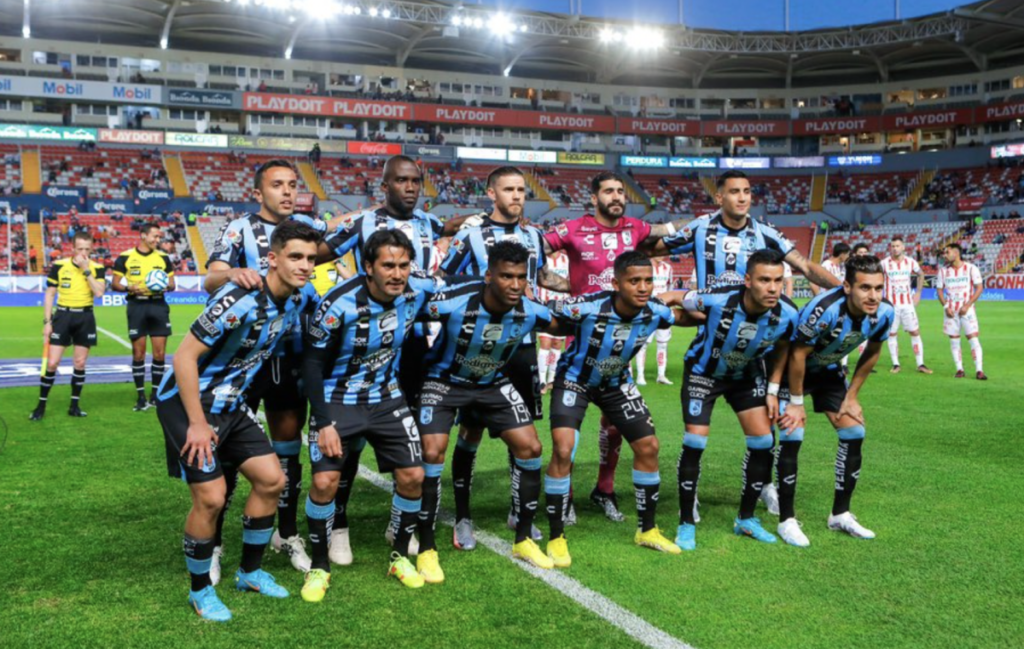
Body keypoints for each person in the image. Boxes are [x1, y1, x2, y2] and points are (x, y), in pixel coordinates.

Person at [645, 170, 842, 514]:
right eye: (734, 191)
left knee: (766, 423)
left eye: (747, 191)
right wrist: (670, 227)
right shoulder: (701, 228)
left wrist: (844, 292)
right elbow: (650, 246)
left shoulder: (766, 233)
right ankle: (691, 494)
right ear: (719, 197)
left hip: (759, 341)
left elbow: (805, 266)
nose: (742, 197)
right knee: (697, 433)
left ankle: (763, 484)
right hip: (712, 326)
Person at [155, 220, 320, 622]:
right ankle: (200, 591)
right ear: (273, 259)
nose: (304, 265)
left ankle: (250, 572)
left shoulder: (298, 299)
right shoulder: (240, 298)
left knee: (272, 480)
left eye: (311, 259)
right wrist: (197, 423)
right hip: (187, 402)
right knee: (212, 497)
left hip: (231, 404)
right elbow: (183, 358)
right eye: (295, 257)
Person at [317, 156, 470, 563]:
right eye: (401, 181)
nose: (410, 187)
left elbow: (448, 231)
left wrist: (478, 218)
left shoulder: (428, 223)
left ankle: (399, 525)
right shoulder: (362, 222)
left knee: (410, 438)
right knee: (349, 444)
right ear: (384, 186)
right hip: (365, 341)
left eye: (416, 181)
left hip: (414, 342)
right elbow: (317, 253)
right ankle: (339, 526)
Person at [300, 230, 450, 601]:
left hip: (387, 398)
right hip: (338, 399)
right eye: (388, 266)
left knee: (414, 476)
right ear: (368, 267)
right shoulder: (338, 303)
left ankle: (399, 557)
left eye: (403, 265)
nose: (397, 274)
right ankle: (319, 566)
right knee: (324, 483)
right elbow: (312, 365)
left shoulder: (417, 291)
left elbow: (459, 287)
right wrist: (323, 422)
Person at [204, 160, 337, 578]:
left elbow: (333, 245)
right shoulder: (238, 229)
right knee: (228, 453)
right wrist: (235, 274)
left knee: (288, 448)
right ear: (258, 193)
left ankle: (287, 533)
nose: (287, 191)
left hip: (291, 355)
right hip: (245, 359)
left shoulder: (307, 227)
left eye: (292, 184)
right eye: (277, 185)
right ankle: (214, 544)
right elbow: (210, 279)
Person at [542, 171, 689, 524]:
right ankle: (566, 496)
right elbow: (533, 252)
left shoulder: (635, 229)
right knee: (569, 432)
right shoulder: (572, 229)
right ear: (594, 198)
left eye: (621, 191)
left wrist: (706, 221)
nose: (617, 196)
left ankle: (604, 489)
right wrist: (566, 286)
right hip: (583, 332)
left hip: (622, 338)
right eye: (609, 191)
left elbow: (670, 234)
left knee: (615, 425)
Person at [438, 167, 570, 551]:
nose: (516, 196)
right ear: (491, 193)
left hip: (522, 344)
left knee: (522, 432)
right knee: (471, 432)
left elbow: (542, 277)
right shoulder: (471, 235)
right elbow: (445, 280)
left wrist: (585, 286)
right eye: (509, 189)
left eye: (521, 190)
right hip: (478, 347)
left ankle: (518, 509)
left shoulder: (533, 235)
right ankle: (463, 517)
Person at [543, 252, 697, 567]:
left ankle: (647, 530)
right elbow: (550, 320)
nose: (643, 287)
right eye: (634, 281)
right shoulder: (588, 306)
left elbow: (683, 317)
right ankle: (556, 537)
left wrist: (700, 303)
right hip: (575, 380)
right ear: (616, 283)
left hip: (616, 383)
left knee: (648, 446)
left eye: (648, 281)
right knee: (563, 448)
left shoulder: (655, 311)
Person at [416, 241, 558, 580]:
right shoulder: (453, 300)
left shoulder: (532, 311)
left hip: (492, 384)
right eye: (506, 276)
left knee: (531, 448)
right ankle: (428, 546)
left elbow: (567, 324)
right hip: (444, 382)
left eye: (521, 277)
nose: (515, 285)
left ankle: (523, 539)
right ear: (489, 276)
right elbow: (406, 311)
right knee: (432, 451)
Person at [664, 249, 801, 550]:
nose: (773, 288)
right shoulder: (718, 299)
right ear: (748, 280)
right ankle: (686, 522)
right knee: (695, 441)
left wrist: (773, 390)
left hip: (745, 376)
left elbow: (783, 348)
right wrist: (651, 311)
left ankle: (746, 519)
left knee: (763, 441)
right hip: (703, 373)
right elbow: (673, 296)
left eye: (778, 280)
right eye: (764, 280)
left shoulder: (789, 313)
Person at [776, 255, 895, 541]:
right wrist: (796, 403)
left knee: (854, 431)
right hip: (791, 371)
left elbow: (873, 351)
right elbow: (797, 354)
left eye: (878, 288)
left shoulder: (885, 312)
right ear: (847, 287)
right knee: (792, 434)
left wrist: (851, 396)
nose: (873, 296)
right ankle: (786, 520)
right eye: (865, 288)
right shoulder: (824, 309)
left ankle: (840, 514)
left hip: (828, 370)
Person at [30, 232, 106, 421]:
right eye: (80, 249)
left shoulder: (97, 268)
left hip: (85, 317)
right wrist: (47, 322)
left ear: (92, 249)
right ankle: (41, 405)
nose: (84, 253)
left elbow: (99, 293)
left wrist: (86, 270)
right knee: (52, 363)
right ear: (72, 248)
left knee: (79, 363)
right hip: (63, 316)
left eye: (87, 249)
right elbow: (49, 295)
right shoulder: (59, 266)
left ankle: (74, 406)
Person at [111, 223, 177, 411]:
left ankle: (155, 395)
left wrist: (165, 285)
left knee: (159, 354)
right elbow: (115, 284)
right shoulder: (125, 257)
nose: (158, 240)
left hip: (158, 305)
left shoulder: (163, 258)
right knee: (138, 354)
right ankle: (140, 397)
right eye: (155, 236)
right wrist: (129, 288)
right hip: (137, 305)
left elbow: (172, 284)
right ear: (143, 235)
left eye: (159, 237)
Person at [880, 235, 931, 374]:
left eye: (897, 246)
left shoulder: (910, 262)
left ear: (903, 247)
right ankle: (896, 364)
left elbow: (921, 274)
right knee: (892, 333)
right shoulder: (884, 263)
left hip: (907, 304)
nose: (895, 248)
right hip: (891, 305)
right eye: (893, 246)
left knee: (915, 332)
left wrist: (918, 293)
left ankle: (920, 364)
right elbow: (876, 278)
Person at [936, 243, 986, 380]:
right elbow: (939, 290)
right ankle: (959, 369)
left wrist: (968, 305)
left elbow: (979, 288)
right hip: (950, 311)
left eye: (947, 252)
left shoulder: (971, 268)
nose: (945, 255)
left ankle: (979, 370)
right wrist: (946, 307)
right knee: (954, 340)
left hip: (967, 310)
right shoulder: (943, 271)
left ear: (956, 253)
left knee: (973, 338)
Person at [633, 255, 674, 385]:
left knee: (663, 344)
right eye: (659, 253)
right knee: (643, 344)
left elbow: (670, 288)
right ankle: (640, 376)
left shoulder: (668, 268)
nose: (662, 255)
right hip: (647, 310)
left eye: (664, 253)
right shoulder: (644, 268)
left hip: (663, 311)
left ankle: (661, 375)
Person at [537, 250, 570, 393]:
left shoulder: (566, 259)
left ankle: (551, 379)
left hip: (563, 308)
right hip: (545, 306)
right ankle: (541, 381)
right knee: (545, 343)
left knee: (557, 345)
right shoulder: (542, 260)